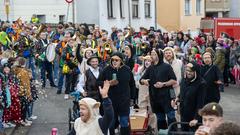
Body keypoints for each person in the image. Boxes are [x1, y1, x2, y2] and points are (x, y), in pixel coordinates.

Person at [97, 52, 136, 135]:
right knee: (111, 123)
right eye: (112, 60)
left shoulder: (127, 69)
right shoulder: (106, 69)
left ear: (121, 61)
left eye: (116, 60)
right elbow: (98, 82)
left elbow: (132, 85)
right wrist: (109, 83)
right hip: (111, 100)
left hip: (124, 100)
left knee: (124, 122)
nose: (114, 61)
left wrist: (133, 98)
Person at [140, 49, 177, 130]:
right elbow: (141, 80)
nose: (151, 56)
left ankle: (174, 133)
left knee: (171, 118)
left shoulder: (167, 67)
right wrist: (144, 81)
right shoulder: (150, 68)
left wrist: (163, 84)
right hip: (155, 97)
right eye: (151, 54)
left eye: (153, 54)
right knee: (160, 119)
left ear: (158, 56)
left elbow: (174, 80)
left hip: (167, 96)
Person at [172, 62, 206, 131]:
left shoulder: (201, 83)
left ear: (196, 71)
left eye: (191, 71)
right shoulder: (184, 80)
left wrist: (196, 118)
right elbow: (182, 92)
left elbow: (201, 103)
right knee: (183, 131)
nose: (188, 73)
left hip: (194, 116)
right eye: (187, 70)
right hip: (183, 113)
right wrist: (177, 98)